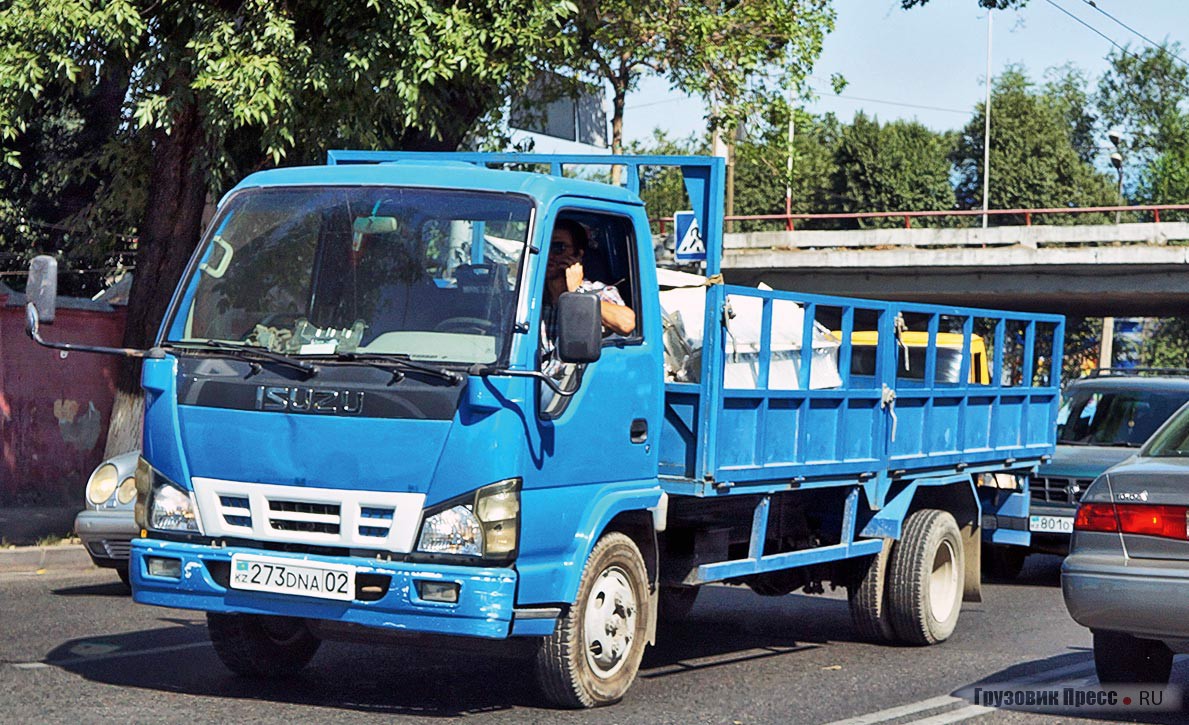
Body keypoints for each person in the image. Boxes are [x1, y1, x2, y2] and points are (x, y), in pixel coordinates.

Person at [540, 219, 636, 384]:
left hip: (569, 388)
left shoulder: (598, 292)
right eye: (545, 247)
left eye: (558, 247)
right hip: (535, 381)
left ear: (578, 255)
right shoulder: (534, 298)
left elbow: (626, 323)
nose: (550, 255)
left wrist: (578, 293)